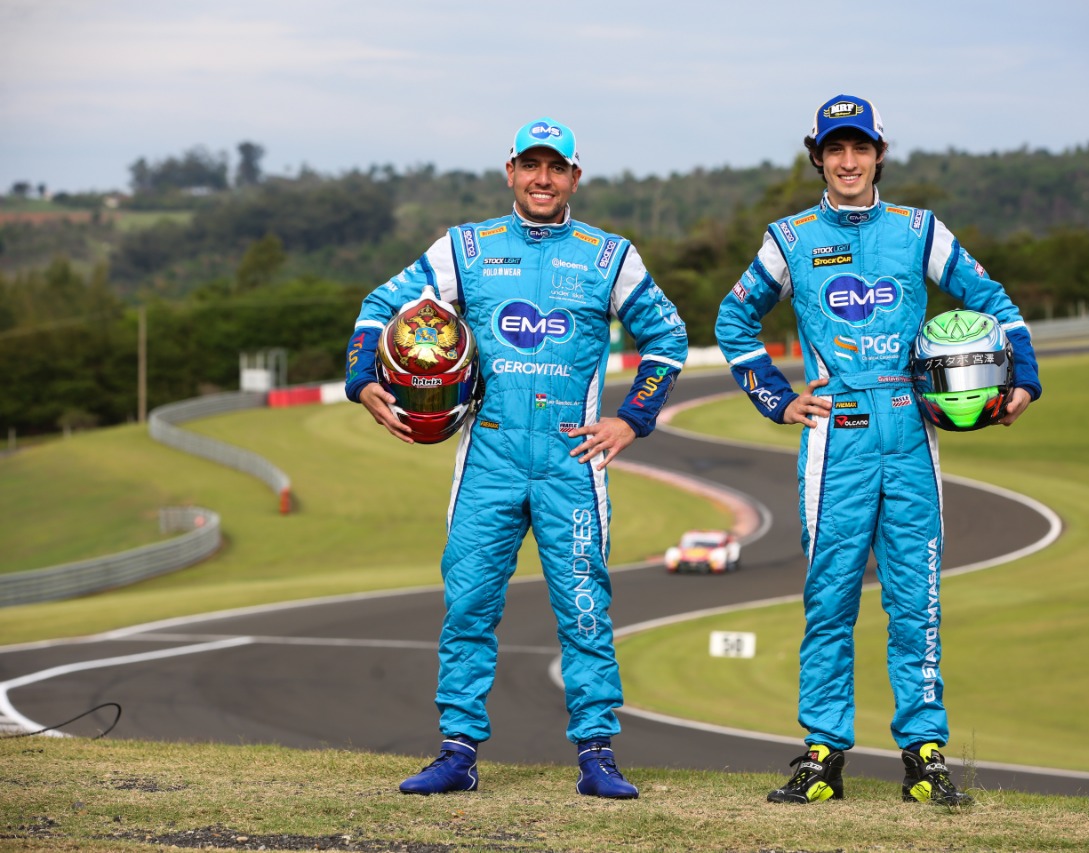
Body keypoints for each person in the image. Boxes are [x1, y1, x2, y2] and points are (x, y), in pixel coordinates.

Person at [345, 117, 688, 799]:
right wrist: (364, 378)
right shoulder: (467, 247)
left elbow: (668, 336)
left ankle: (597, 754)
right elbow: (383, 303)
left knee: (585, 607)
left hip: (572, 459)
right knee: (468, 605)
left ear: (574, 177)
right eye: (530, 166)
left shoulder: (608, 255)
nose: (542, 178)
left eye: (555, 167)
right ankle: (457, 751)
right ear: (510, 172)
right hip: (489, 455)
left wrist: (631, 419)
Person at [715, 94, 1042, 807]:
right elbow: (734, 314)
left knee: (916, 600)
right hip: (836, 437)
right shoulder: (791, 238)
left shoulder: (920, 231)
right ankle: (822, 754)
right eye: (835, 148)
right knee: (828, 601)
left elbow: (993, 299)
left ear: (879, 155)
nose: (848, 160)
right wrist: (775, 394)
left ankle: (924, 754)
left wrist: (1025, 377)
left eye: (860, 147)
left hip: (912, 431)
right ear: (818, 157)